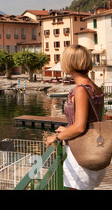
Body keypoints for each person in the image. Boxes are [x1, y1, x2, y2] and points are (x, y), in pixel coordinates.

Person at [46, 44, 106, 190]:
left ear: (69, 63)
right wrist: (67, 128)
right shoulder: (94, 87)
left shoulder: (81, 90)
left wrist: (56, 137)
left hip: (81, 156)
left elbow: (79, 127)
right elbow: (91, 119)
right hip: (95, 151)